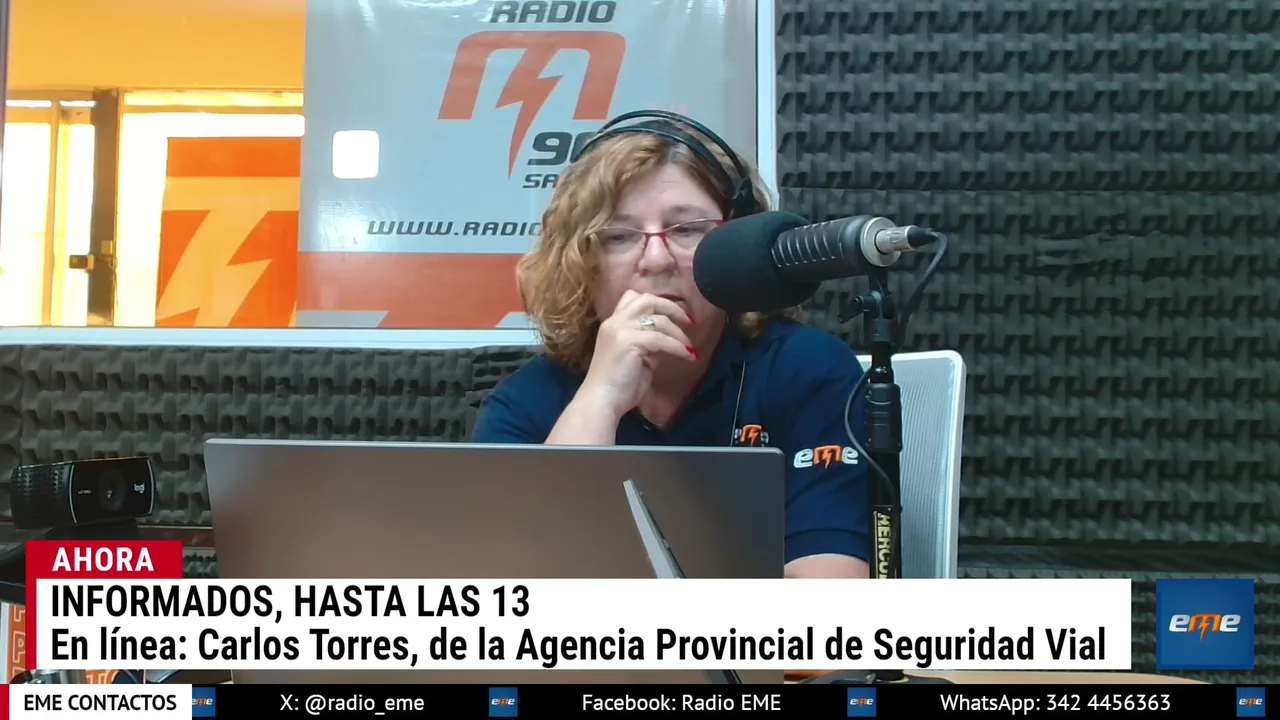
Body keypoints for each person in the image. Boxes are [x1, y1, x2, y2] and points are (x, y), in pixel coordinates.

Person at [472, 111, 869, 579]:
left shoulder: (809, 372)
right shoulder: (527, 402)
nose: (657, 260)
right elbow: (518, 592)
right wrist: (601, 400)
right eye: (619, 236)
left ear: (740, 247)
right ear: (581, 263)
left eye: (687, 229)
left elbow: (830, 603)